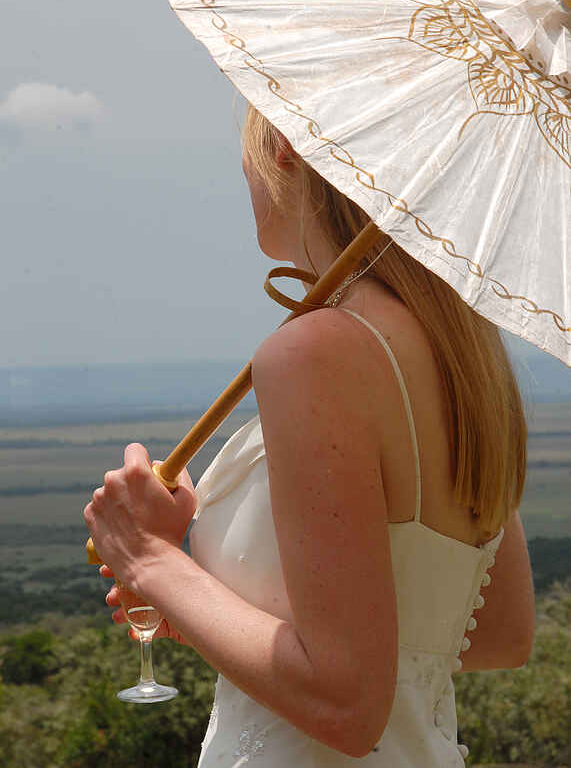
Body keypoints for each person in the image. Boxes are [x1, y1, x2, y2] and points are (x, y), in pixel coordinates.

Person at [84, 104, 535, 766]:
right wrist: (204, 607)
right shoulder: (465, 359)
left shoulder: (317, 352)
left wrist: (149, 557)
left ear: (289, 144)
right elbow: (497, 633)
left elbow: (345, 705)